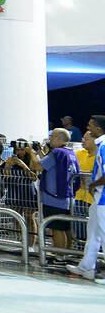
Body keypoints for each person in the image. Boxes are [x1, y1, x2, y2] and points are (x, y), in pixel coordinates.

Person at [68, 116, 105, 281]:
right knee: (93, 233)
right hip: (98, 197)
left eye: (90, 126)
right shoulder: (100, 146)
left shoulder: (103, 147)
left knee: (103, 233)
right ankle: (86, 267)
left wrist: (93, 184)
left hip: (103, 197)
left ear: (98, 128)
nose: (88, 129)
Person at [37, 129, 81, 257]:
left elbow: (38, 166)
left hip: (54, 197)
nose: (50, 139)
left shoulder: (57, 153)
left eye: (52, 136)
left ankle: (59, 256)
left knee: (57, 229)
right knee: (65, 228)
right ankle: (66, 254)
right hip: (67, 196)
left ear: (59, 138)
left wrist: (32, 153)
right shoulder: (71, 153)